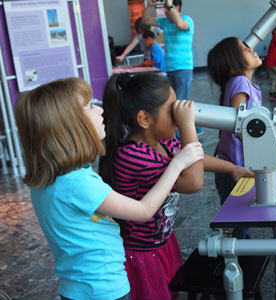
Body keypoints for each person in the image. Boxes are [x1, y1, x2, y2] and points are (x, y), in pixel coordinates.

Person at [15, 77, 204, 300]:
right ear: (69, 127)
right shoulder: (78, 184)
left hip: (77, 286)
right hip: (103, 288)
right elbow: (143, 210)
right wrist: (178, 164)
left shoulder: (49, 181)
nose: (100, 111)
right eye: (89, 106)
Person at [99, 72, 252, 300]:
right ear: (144, 119)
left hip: (163, 241)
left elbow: (193, 158)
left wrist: (231, 168)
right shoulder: (131, 154)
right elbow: (194, 181)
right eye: (172, 110)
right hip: (142, 253)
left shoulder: (162, 141)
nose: (177, 114)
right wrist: (187, 125)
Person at [207, 37, 263, 239]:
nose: (251, 49)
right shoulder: (240, 82)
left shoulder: (247, 85)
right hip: (233, 168)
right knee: (239, 227)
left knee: (241, 222)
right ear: (232, 67)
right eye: (244, 48)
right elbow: (238, 124)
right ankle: (236, 262)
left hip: (239, 166)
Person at [143, 0, 204, 136]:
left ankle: (177, 136)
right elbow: (146, 20)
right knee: (180, 100)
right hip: (170, 68)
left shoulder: (187, 20)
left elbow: (179, 24)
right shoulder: (164, 22)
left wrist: (169, 4)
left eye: (167, 8)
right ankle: (197, 129)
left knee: (178, 103)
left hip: (183, 68)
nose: (164, 11)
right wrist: (150, 5)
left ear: (176, 7)